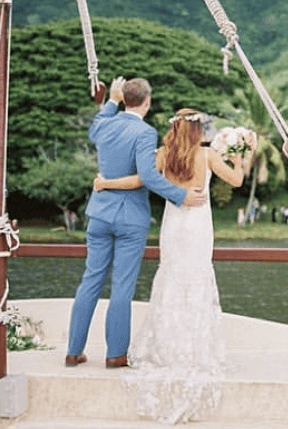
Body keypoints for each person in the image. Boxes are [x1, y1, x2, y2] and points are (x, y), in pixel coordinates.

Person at [95, 108, 254, 423]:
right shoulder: (206, 155)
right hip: (197, 227)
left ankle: (166, 348)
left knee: (171, 279)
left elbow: (140, 180)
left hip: (174, 225)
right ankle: (195, 349)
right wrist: (242, 155)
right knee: (195, 280)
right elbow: (236, 180)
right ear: (197, 131)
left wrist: (107, 182)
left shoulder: (163, 155)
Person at [65, 77, 206, 370]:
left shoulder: (104, 125)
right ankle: (115, 355)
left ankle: (73, 352)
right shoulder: (145, 132)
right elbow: (149, 176)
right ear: (148, 101)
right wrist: (181, 196)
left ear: (123, 98)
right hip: (130, 219)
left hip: (100, 214)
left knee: (90, 281)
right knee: (122, 287)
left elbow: (95, 125)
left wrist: (112, 99)